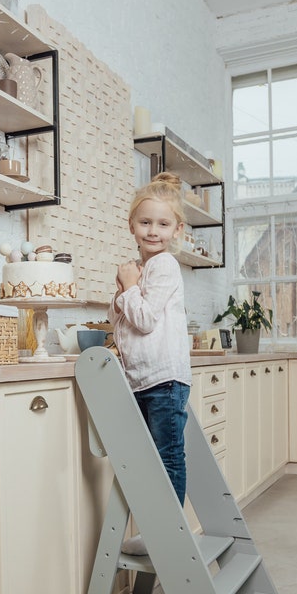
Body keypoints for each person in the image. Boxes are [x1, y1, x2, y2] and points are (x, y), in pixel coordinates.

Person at [108, 171, 192, 529]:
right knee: (148, 458)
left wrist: (129, 287)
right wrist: (122, 290)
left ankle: (167, 532)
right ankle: (156, 529)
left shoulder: (165, 265)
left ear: (177, 230)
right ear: (132, 225)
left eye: (162, 223)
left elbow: (142, 321)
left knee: (168, 456)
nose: (153, 230)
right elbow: (118, 320)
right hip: (141, 381)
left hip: (163, 380)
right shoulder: (141, 268)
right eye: (145, 222)